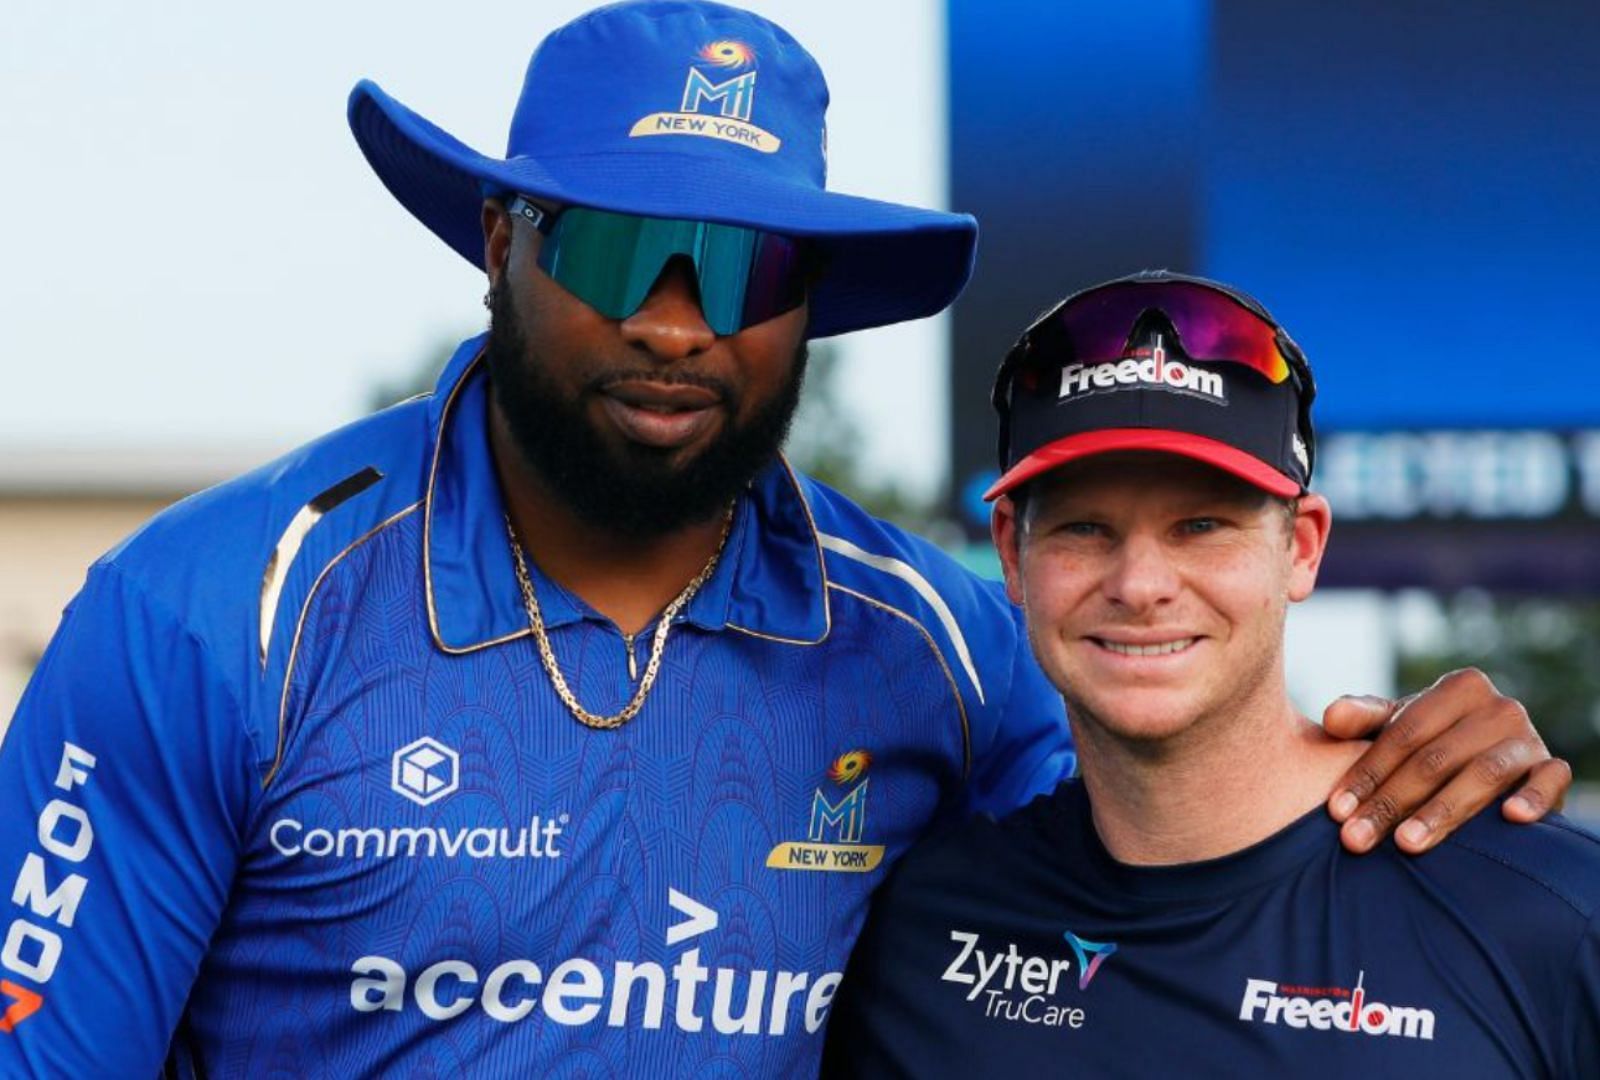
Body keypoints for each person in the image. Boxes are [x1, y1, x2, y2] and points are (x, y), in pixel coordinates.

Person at [0, 5, 1566, 1077]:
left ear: (809, 306)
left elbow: (1165, 844)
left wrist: (1419, 770)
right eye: (618, 245)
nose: (678, 322)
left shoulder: (940, 648)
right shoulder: (217, 611)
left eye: (745, 271)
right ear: (500, 243)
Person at [823, 272, 1600, 1077]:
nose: (1140, 584)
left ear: (1301, 547)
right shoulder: (925, 928)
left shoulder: (1548, 915)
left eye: (1201, 526)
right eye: (1086, 529)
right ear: (1012, 550)